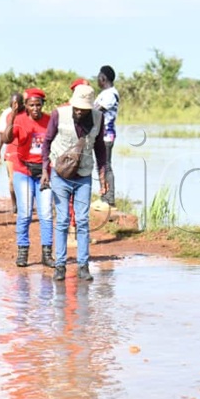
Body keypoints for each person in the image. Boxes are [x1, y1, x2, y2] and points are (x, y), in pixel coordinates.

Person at [40, 84, 107, 282]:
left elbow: (100, 148)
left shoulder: (98, 118)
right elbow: (47, 142)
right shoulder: (58, 114)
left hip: (84, 175)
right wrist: (45, 169)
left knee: (83, 220)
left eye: (83, 109)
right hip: (60, 175)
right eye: (76, 108)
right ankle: (60, 265)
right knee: (61, 220)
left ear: (89, 108)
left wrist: (103, 174)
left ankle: (83, 266)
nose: (79, 111)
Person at [3, 88, 52, 268]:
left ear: (42, 105)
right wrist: (13, 117)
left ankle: (47, 254)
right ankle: (22, 252)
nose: (36, 109)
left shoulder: (49, 121)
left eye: (38, 105)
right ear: (27, 106)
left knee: (46, 213)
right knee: (24, 213)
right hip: (23, 171)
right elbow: (7, 139)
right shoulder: (19, 119)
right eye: (32, 105)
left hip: (44, 172)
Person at [94, 65, 120, 208]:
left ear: (103, 78)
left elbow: (96, 111)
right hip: (101, 135)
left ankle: (109, 199)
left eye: (98, 76)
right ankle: (104, 197)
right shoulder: (105, 93)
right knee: (101, 167)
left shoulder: (110, 94)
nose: (97, 79)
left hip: (106, 135)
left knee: (106, 166)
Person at [0, 93, 24, 214]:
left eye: (17, 103)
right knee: (12, 180)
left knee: (25, 179)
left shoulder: (27, 114)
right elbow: (1, 134)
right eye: (13, 103)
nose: (15, 106)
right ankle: (15, 205)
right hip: (11, 150)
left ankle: (25, 203)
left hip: (24, 150)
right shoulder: (7, 114)